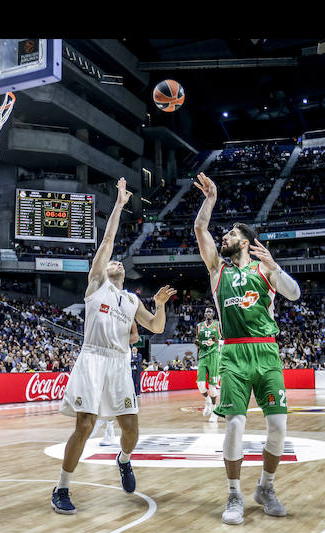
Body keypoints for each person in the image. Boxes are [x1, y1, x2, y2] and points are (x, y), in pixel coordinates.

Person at [52, 177, 176, 515]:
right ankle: (62, 487)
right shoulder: (96, 286)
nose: (116, 261)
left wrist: (161, 304)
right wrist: (120, 204)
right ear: (103, 270)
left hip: (120, 361)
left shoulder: (131, 300)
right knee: (85, 425)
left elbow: (156, 327)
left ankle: (123, 459)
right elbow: (108, 239)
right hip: (93, 358)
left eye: (120, 262)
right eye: (111, 261)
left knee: (132, 429)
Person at [192, 172, 301, 525]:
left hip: (267, 352)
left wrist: (275, 267)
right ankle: (234, 494)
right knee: (235, 425)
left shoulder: (264, 270)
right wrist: (210, 200)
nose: (226, 236)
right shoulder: (217, 270)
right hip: (234, 354)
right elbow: (200, 231)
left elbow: (295, 294)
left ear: (248, 241)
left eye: (233, 234)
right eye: (226, 234)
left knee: (279, 427)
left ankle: (266, 487)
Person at [90, 323, 141, 447]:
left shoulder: (124, 347)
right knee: (110, 404)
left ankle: (103, 425)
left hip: (120, 375)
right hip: (112, 371)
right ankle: (108, 433)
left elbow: (135, 337)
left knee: (119, 408)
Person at [195, 307, 221, 423]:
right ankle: (208, 401)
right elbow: (198, 341)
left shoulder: (218, 325)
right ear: (204, 314)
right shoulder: (199, 326)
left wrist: (216, 341)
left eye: (210, 311)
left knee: (212, 387)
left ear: (213, 314)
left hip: (214, 356)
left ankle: (215, 412)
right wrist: (197, 346)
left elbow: (224, 341)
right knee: (200, 384)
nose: (208, 313)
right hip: (202, 356)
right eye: (206, 311)